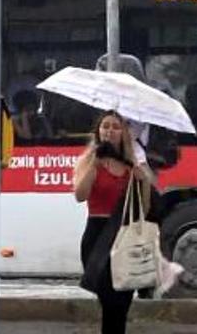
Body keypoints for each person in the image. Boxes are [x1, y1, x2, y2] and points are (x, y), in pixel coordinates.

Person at [73, 110, 153, 334]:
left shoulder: (132, 164)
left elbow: (144, 208)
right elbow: (80, 195)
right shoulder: (89, 160)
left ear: (124, 133)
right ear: (98, 131)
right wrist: (94, 164)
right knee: (109, 301)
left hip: (124, 236)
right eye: (105, 126)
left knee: (123, 303)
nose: (109, 131)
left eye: (115, 127)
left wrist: (142, 180)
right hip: (98, 236)